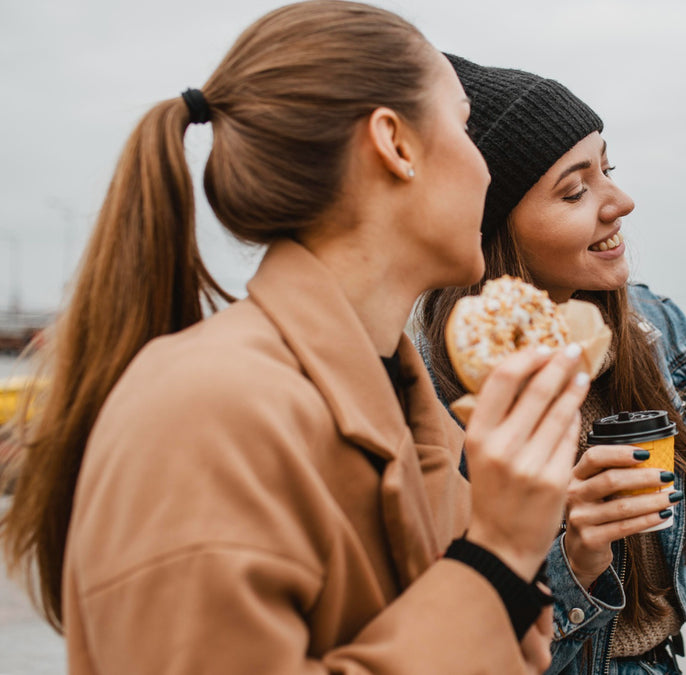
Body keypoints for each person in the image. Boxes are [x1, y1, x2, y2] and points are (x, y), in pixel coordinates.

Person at [0, 2, 590, 672]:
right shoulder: (206, 411)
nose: (486, 167)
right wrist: (498, 552)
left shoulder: (417, 410)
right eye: (463, 125)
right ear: (394, 144)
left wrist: (529, 539)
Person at [417, 55, 686, 674]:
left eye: (608, 169)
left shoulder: (653, 324)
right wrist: (576, 557)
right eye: (575, 190)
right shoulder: (433, 383)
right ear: (493, 227)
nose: (622, 202)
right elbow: (454, 631)